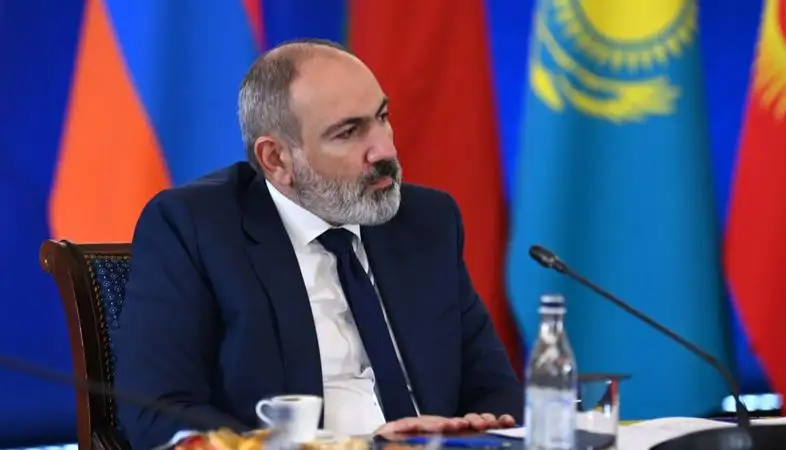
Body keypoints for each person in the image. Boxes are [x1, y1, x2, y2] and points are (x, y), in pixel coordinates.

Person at [114, 38, 523, 449]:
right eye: (348, 132)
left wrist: (480, 431)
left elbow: (493, 388)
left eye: (382, 117)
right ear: (277, 159)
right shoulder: (196, 229)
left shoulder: (426, 221)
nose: (385, 149)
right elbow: (159, 410)